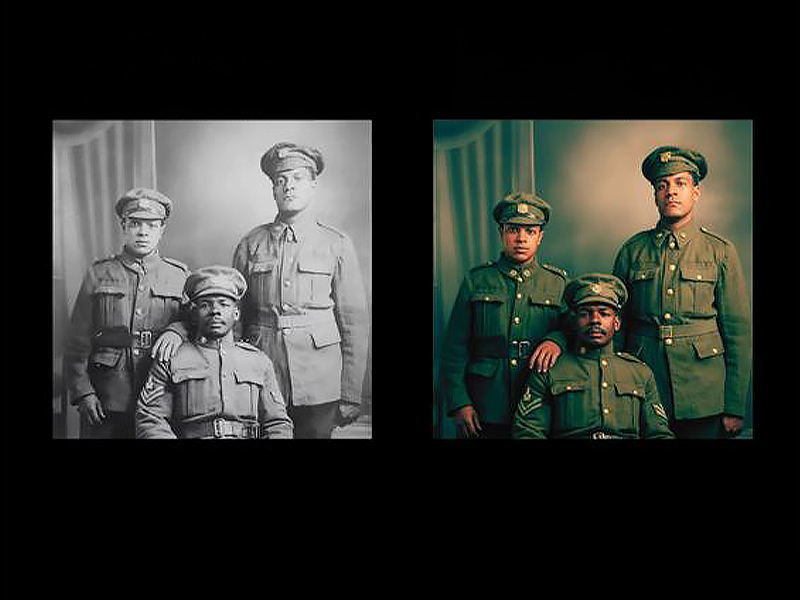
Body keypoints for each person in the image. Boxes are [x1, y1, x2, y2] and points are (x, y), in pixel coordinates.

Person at [611, 146, 752, 439]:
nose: (671, 192)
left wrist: (735, 406)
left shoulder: (720, 251)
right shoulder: (632, 251)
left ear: (696, 192)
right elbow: (615, 328)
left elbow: (738, 335)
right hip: (644, 387)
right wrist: (617, 394)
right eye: (662, 186)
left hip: (704, 394)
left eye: (680, 183)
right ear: (655, 196)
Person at [439, 191, 569, 439]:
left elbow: (576, 331)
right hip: (484, 404)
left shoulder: (557, 283)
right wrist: (459, 402)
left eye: (530, 231)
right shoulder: (476, 280)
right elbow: (453, 349)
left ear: (540, 237)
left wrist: (556, 341)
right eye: (513, 230)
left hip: (540, 400)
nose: (521, 238)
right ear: (501, 233)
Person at [63, 188, 190, 439]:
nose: (143, 232)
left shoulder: (179, 276)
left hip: (161, 393)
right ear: (123, 225)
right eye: (135, 224)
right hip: (107, 395)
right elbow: (76, 342)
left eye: (151, 225)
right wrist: (83, 392)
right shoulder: (99, 274)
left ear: (162, 230)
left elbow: (198, 325)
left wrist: (178, 331)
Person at [136, 266, 293, 439]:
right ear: (194, 314)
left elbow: (278, 424)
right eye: (205, 305)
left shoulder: (258, 361)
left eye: (224, 304)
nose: (215, 310)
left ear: (236, 314)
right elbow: (151, 419)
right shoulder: (171, 359)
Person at [512, 273, 674, 439]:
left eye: (604, 314)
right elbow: (528, 432)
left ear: (616, 323)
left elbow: (659, 434)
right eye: (585, 313)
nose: (595, 320)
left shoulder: (640, 373)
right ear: (574, 321)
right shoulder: (549, 370)